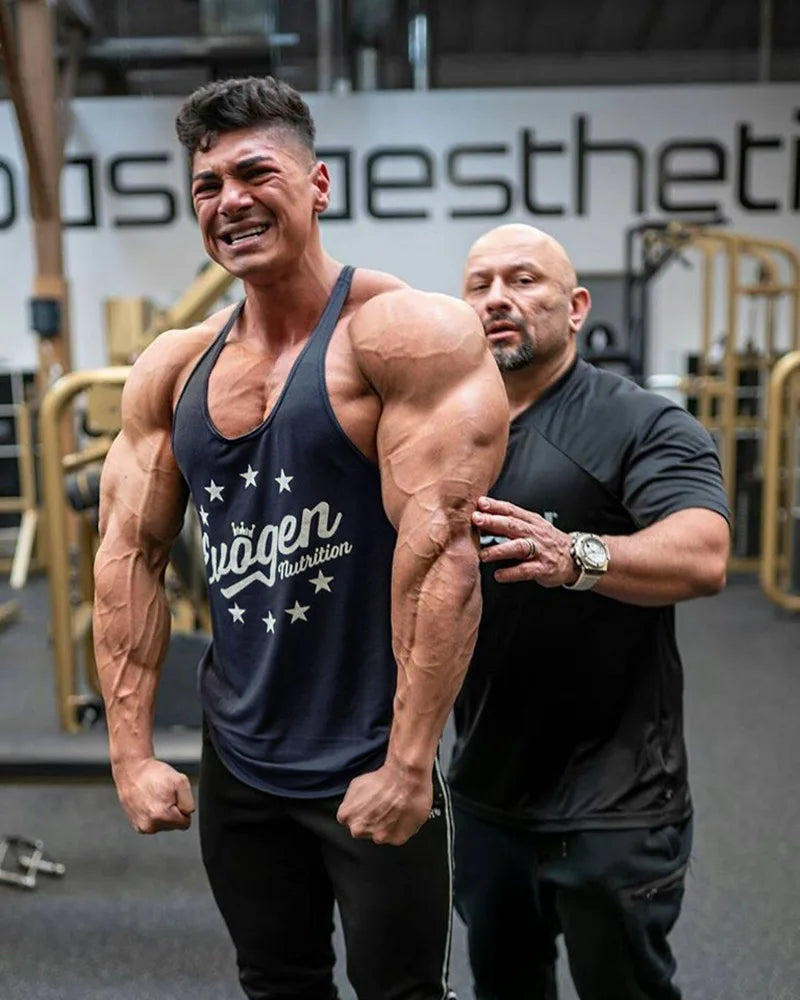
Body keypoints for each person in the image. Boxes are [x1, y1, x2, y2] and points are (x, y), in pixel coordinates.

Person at [92, 76, 508, 1000]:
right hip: (239, 761)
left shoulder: (403, 336)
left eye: (256, 173)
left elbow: (443, 558)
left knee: (402, 994)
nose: (230, 201)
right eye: (208, 185)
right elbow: (127, 557)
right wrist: (130, 752)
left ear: (318, 185)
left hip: (370, 756)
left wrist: (409, 765)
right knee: (275, 982)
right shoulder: (175, 367)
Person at [448, 223, 731, 1000]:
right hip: (485, 784)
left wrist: (579, 556)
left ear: (575, 307)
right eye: (479, 284)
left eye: (523, 279)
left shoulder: (641, 421)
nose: (497, 298)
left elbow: (704, 553)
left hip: (614, 799)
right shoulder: (443, 428)